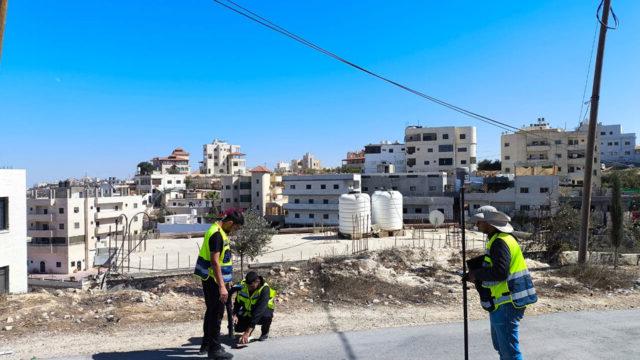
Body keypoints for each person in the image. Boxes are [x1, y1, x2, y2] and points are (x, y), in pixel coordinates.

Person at [464, 207, 537, 360]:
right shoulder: (502, 239)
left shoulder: (500, 242)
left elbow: (500, 272)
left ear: (489, 223)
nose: (476, 225)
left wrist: (476, 274)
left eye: (479, 221)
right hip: (502, 301)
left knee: (509, 352)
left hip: (506, 302)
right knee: (502, 348)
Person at [194, 210, 244, 360]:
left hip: (211, 278)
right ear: (230, 223)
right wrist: (222, 286)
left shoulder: (216, 229)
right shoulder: (217, 234)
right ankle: (215, 349)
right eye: (235, 228)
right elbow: (215, 261)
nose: (235, 231)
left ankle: (207, 344)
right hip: (214, 280)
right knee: (216, 314)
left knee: (211, 312)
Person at [232, 271, 276, 346]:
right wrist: (235, 314)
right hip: (249, 310)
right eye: (248, 286)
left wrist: (247, 332)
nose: (249, 289)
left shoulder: (264, 289)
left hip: (263, 311)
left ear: (257, 281)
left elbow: (259, 311)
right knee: (238, 327)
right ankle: (249, 330)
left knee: (266, 316)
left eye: (252, 286)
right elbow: (237, 302)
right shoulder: (243, 285)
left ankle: (264, 332)